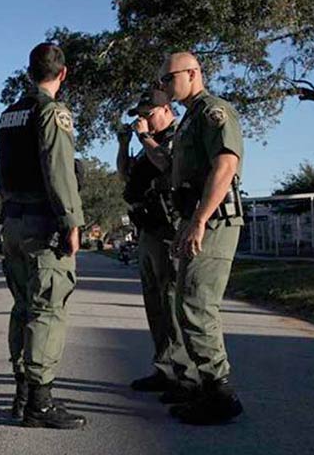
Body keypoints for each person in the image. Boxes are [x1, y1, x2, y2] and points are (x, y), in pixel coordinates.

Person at [0, 42, 86, 429]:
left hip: (13, 221)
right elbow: (59, 171)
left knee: (22, 307)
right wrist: (71, 222)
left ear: (29, 72)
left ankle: (21, 393)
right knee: (47, 309)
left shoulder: (8, 115)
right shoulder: (52, 113)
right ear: (62, 74)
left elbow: (2, 171)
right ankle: (40, 402)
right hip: (41, 226)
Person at [158, 52, 245, 424]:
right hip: (196, 220)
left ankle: (220, 395)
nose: (164, 86)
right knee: (186, 305)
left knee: (197, 305)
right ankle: (206, 388)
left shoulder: (213, 112)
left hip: (213, 221)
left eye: (168, 78)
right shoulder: (189, 119)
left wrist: (199, 220)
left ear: (192, 74)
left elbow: (226, 165)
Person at [117, 89, 197, 401]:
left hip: (170, 229)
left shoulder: (175, 137)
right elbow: (126, 174)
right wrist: (125, 144)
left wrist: (144, 139)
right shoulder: (145, 145)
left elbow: (168, 165)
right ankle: (164, 368)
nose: (143, 120)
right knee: (154, 302)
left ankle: (185, 376)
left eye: (148, 114)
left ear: (165, 109)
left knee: (170, 300)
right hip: (148, 229)